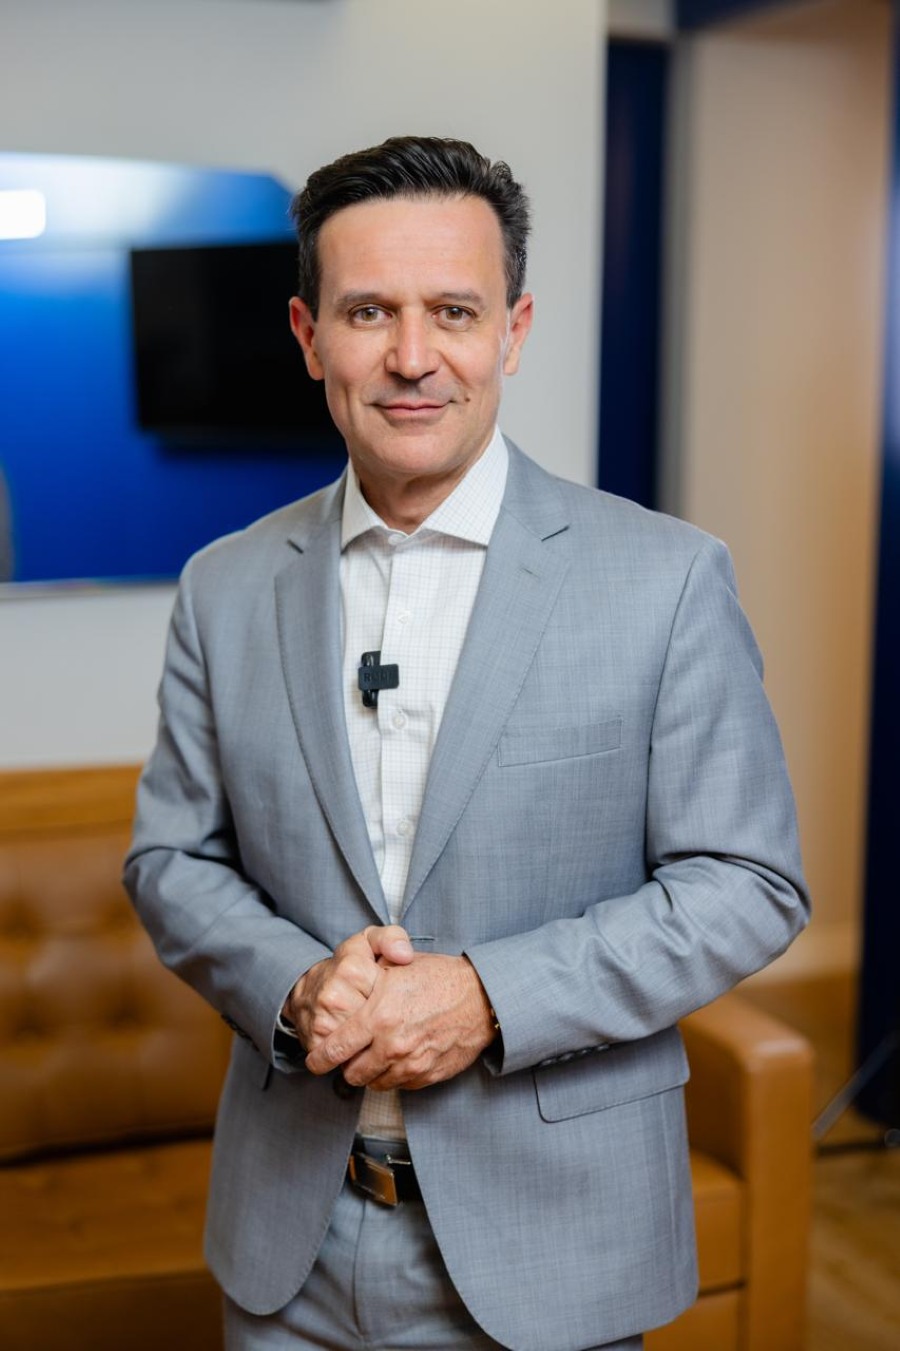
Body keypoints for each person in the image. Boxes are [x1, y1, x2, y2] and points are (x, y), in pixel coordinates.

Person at [124, 135, 809, 1351]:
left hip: (557, 1254)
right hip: (287, 1252)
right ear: (308, 335)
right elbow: (172, 860)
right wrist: (294, 985)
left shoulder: (665, 580)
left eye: (453, 311)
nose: (411, 356)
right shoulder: (222, 587)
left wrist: (492, 997)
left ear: (514, 329)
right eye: (368, 312)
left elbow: (749, 882)